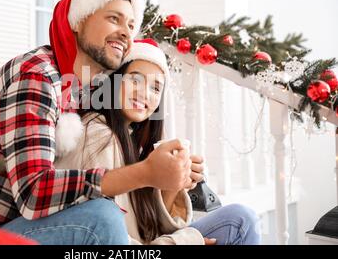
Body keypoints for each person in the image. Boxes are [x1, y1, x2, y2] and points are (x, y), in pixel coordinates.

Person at [0, 0, 193, 245]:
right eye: (114, 18)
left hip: (18, 229)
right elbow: (35, 193)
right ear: (78, 20)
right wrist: (145, 172)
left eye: (131, 24)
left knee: (235, 220)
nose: (126, 33)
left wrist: (172, 177)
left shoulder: (81, 90)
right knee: (102, 216)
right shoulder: (36, 75)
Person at [54, 40, 262, 245]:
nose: (144, 93)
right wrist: (188, 241)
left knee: (241, 218)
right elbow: (110, 238)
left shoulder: (132, 141)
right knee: (241, 223)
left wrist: (172, 185)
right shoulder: (98, 137)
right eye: (135, 80)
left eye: (155, 88)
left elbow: (150, 230)